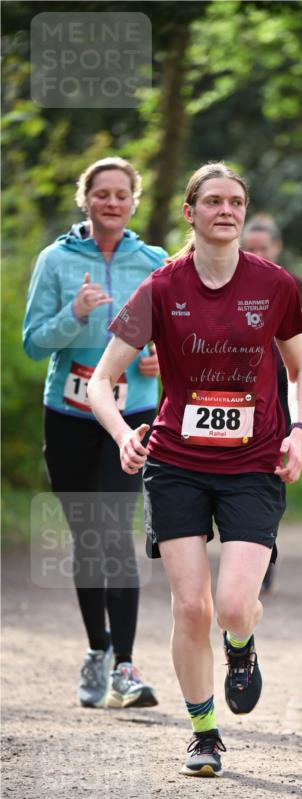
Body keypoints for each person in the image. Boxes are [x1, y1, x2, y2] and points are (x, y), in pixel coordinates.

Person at [88, 162, 302, 777]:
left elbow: (299, 372)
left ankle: (241, 648)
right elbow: (103, 382)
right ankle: (205, 733)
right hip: (176, 464)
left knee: (235, 605)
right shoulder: (162, 288)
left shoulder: (276, 285)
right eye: (213, 201)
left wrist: (298, 430)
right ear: (190, 212)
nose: (227, 210)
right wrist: (121, 435)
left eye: (236, 201)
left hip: (254, 462)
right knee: (192, 608)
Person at [23, 156, 167, 709]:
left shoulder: (153, 262)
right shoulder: (56, 260)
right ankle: (97, 649)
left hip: (133, 417)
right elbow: (34, 343)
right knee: (88, 534)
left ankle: (126, 667)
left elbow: (176, 337)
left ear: (134, 201)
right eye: (101, 193)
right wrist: (75, 315)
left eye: (121, 194)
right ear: (85, 199)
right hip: (69, 414)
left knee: (113, 529)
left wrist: (160, 362)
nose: (111, 202)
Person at [241, 213, 302, 594]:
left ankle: (264, 551)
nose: (257, 254)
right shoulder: (230, 279)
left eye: (263, 248)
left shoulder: (288, 284)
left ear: (278, 249)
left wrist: (300, 335)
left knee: (273, 470)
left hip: (282, 389)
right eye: (250, 248)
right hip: (243, 390)